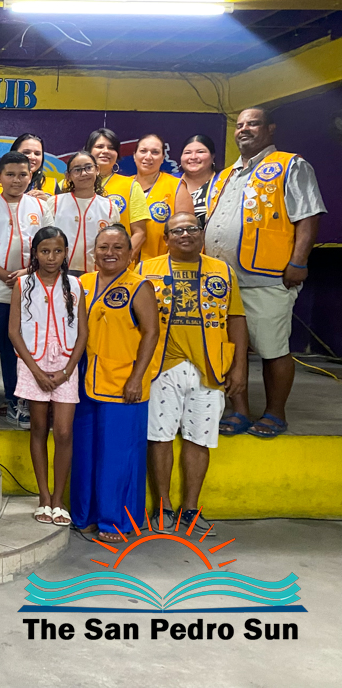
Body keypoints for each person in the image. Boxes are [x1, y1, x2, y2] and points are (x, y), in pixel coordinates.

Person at [204, 107, 325, 439]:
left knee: (272, 348)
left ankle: (275, 413)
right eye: (240, 125)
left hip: (267, 276)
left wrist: (298, 262)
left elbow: (308, 216)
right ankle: (239, 410)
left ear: (270, 128)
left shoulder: (290, 165)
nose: (244, 129)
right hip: (221, 281)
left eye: (253, 123)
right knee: (231, 349)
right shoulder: (224, 175)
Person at [140, 212, 248, 537]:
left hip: (209, 368)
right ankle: (163, 508)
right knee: (159, 437)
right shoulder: (145, 270)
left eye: (191, 228)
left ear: (202, 233)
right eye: (177, 231)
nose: (185, 234)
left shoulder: (223, 271)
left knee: (199, 438)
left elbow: (236, 319)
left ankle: (190, 509)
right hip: (161, 367)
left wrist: (239, 366)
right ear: (165, 238)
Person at [71, 226, 160, 543]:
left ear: (130, 252)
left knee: (118, 456)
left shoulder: (139, 286)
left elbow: (151, 333)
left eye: (118, 247)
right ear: (93, 251)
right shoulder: (82, 283)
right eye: (104, 247)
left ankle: (117, 521)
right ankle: (85, 515)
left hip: (124, 385)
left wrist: (137, 377)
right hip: (83, 382)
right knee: (85, 453)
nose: (110, 253)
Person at [0, 151, 54, 428]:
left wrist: (27, 273)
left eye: (23, 174)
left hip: (29, 288)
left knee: (17, 348)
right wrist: (3, 275)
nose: (17, 180)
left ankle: (17, 401)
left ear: (31, 176)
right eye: (11, 174)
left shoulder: (41, 207)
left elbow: (50, 247)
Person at [8, 228, 88, 527]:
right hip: (33, 365)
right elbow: (13, 331)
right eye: (44, 251)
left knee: (64, 432)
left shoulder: (76, 285)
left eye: (57, 251)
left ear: (66, 253)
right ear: (34, 254)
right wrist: (36, 371)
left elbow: (83, 333)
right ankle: (44, 496)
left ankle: (58, 499)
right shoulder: (23, 284)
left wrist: (67, 371)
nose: (51, 257)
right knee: (39, 428)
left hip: (66, 365)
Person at [53, 151, 120, 276]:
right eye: (77, 170)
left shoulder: (110, 207)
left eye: (88, 168)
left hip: (96, 275)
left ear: (97, 170)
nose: (84, 173)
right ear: (68, 176)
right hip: (58, 274)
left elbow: (115, 244)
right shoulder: (55, 203)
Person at [85, 128, 149, 259]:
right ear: (88, 151)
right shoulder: (68, 184)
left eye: (111, 148)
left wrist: (122, 259)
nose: (105, 151)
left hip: (115, 263)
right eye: (99, 146)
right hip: (76, 263)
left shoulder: (131, 186)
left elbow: (140, 232)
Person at [133, 133, 191, 260]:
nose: (148, 157)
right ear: (134, 155)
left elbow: (186, 234)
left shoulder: (176, 187)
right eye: (143, 151)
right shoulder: (124, 186)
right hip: (121, 266)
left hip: (161, 266)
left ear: (163, 157)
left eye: (155, 152)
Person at [0, 133, 59, 198]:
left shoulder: (52, 184)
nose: (32, 157)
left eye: (37, 154)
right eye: (26, 152)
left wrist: (47, 203)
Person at [176, 135, 218, 227]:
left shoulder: (224, 182)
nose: (193, 157)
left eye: (200, 152)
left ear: (212, 156)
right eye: (187, 153)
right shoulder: (169, 181)